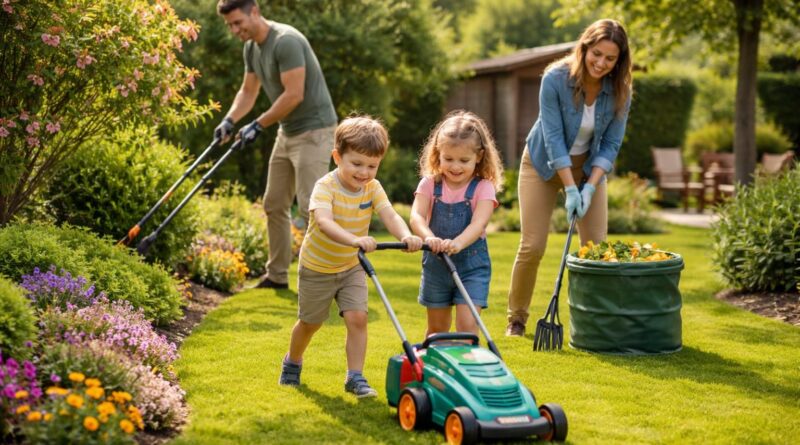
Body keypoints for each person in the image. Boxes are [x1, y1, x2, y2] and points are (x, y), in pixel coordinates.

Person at [278, 116, 423, 397]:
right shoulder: (325, 187)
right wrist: (354, 239)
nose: (364, 172)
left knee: (358, 318)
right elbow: (324, 222)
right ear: (337, 157)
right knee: (311, 323)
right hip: (317, 267)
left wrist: (405, 236)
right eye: (357, 164)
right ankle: (292, 363)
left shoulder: (373, 188)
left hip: (351, 267)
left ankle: (355, 377)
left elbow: (390, 215)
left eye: (372, 165)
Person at [505, 19, 633, 337]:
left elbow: (611, 144)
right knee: (533, 246)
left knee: (594, 249)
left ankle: (590, 323)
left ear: (620, 60)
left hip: (588, 169)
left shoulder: (620, 91)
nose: (601, 63)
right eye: (597, 54)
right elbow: (552, 136)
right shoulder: (555, 78)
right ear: (585, 47)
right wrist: (569, 186)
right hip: (542, 165)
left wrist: (588, 187)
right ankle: (516, 320)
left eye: (610, 58)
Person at [216, 0, 338, 289]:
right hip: (287, 131)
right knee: (274, 203)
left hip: (315, 130)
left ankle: (325, 278)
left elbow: (293, 95)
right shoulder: (251, 48)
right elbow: (248, 91)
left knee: (312, 205)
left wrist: (258, 125)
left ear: (254, 12)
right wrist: (230, 120)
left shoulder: (286, 42)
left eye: (238, 23)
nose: (234, 30)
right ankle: (277, 276)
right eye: (229, 25)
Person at [409, 111, 504, 337]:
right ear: (437, 154)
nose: (455, 167)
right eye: (448, 159)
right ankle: (433, 369)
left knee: (467, 328)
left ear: (479, 156)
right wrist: (428, 237)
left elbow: (479, 224)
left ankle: (469, 370)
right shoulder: (429, 184)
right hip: (436, 266)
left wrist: (458, 243)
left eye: (464, 160)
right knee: (437, 330)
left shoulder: (483, 188)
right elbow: (416, 217)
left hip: (471, 267)